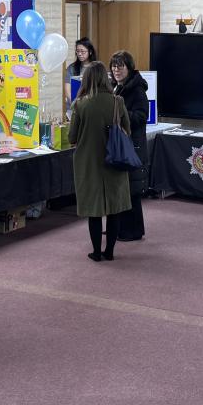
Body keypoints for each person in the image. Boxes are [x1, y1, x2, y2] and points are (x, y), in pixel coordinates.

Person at [69, 62, 131, 261]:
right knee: (114, 209)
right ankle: (110, 251)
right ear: (105, 78)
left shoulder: (80, 104)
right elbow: (127, 131)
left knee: (94, 211)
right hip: (115, 160)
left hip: (89, 163)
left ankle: (96, 252)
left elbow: (72, 137)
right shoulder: (118, 101)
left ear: (86, 79)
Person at [111, 51, 149, 242]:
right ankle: (119, 227)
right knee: (121, 188)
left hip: (133, 145)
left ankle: (132, 230)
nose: (116, 70)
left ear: (129, 67)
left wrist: (121, 113)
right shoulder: (115, 87)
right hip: (120, 144)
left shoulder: (137, 90)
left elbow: (142, 117)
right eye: (114, 66)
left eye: (120, 66)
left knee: (131, 190)